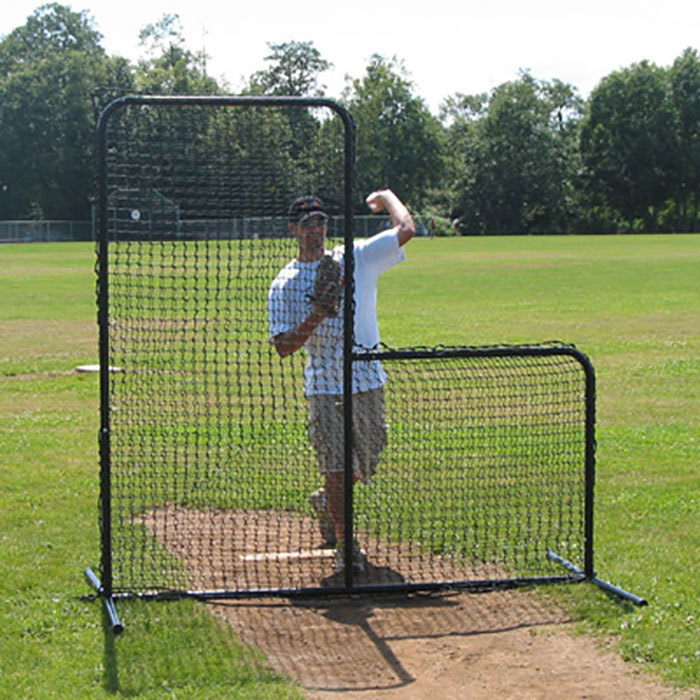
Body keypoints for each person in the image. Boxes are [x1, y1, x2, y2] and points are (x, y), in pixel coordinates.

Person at [267, 190, 415, 572]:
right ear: (293, 229)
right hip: (325, 386)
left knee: (365, 462)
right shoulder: (284, 283)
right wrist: (318, 313)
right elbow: (283, 346)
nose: (315, 230)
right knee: (335, 466)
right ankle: (347, 546)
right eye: (307, 224)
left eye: (320, 223)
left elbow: (405, 229)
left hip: (367, 379)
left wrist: (386, 197)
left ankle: (325, 502)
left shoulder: (355, 257)